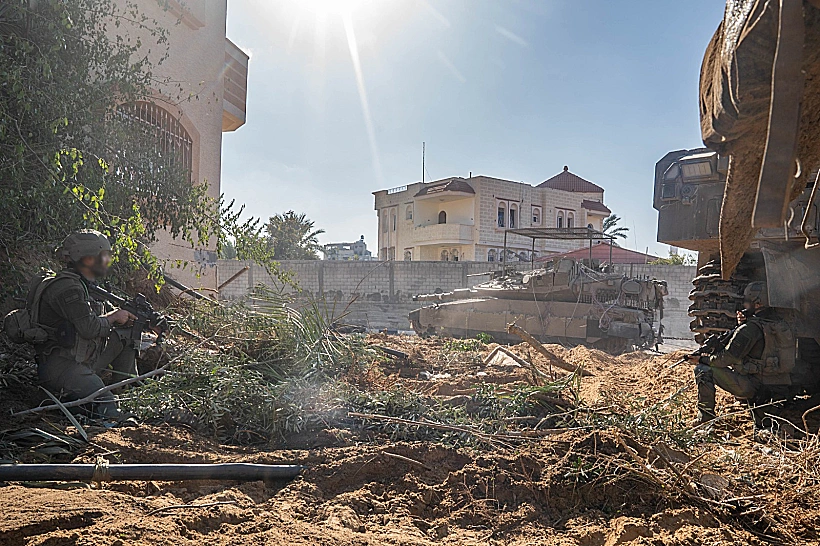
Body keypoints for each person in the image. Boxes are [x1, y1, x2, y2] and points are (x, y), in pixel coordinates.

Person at [33, 230, 138, 419]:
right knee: (105, 401)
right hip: (61, 367)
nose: (106, 262)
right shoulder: (68, 288)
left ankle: (123, 392)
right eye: (103, 257)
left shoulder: (77, 283)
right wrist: (113, 317)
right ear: (87, 258)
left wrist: (116, 318)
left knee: (126, 335)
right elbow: (88, 329)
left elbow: (86, 321)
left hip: (80, 359)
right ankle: (112, 412)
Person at [690, 281, 810, 426]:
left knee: (703, 371)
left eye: (747, 301)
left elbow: (726, 358)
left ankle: (705, 419)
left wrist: (703, 360)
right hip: (784, 387)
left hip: (757, 388)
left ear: (757, 304)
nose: (744, 305)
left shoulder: (750, 329)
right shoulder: (782, 323)